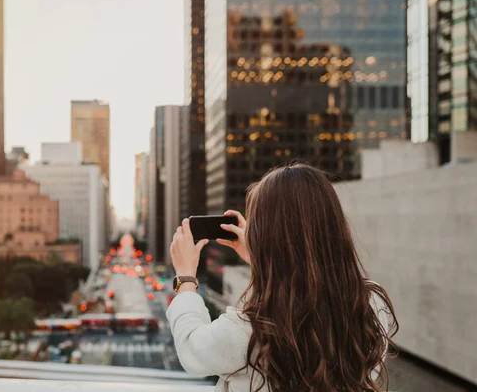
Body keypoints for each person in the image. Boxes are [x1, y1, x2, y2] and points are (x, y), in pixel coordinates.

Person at [166, 163, 398, 392]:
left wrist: (186, 278)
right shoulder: (371, 304)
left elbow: (192, 349)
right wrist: (262, 259)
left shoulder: (253, 328)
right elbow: (305, 280)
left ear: (266, 237)